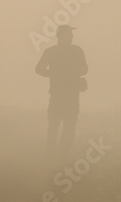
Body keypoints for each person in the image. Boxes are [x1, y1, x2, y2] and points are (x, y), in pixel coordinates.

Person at [36, 25, 88, 158]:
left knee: (67, 124)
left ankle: (61, 153)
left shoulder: (73, 51)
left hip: (68, 93)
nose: (70, 38)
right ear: (60, 37)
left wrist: (63, 73)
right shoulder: (55, 51)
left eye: (71, 36)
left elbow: (84, 69)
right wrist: (55, 73)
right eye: (68, 35)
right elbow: (39, 69)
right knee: (56, 123)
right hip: (60, 93)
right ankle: (53, 153)